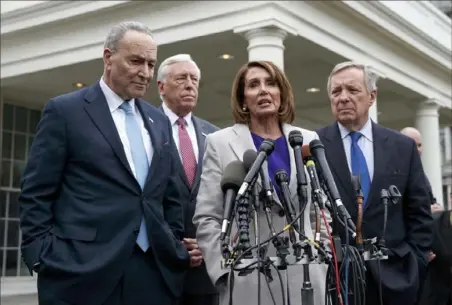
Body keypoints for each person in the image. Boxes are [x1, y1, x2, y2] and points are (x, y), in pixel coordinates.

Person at [19, 21, 193, 305]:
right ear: (108, 57)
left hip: (153, 276)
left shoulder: (159, 120)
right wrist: (41, 256)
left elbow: (168, 194)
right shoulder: (65, 111)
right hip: (81, 274)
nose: (146, 73)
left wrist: (173, 244)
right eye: (136, 61)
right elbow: (36, 192)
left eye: (151, 64)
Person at [193, 60, 331, 305]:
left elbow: (318, 210)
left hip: (306, 276)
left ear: (282, 93)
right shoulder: (220, 143)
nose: (264, 90)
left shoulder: (307, 139)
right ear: (243, 99)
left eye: (271, 83)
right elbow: (208, 217)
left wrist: (323, 256)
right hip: (248, 278)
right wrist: (224, 272)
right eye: (254, 85)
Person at [316, 61, 433, 305]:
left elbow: (419, 213)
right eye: (336, 92)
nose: (343, 97)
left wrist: (416, 264)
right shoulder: (314, 146)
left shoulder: (403, 147)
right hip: (337, 281)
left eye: (352, 90)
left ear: (372, 96)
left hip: (396, 280)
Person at [157, 54, 220, 305]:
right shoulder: (144, 126)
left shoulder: (212, 134)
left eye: (195, 79)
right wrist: (171, 246)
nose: (190, 84)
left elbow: (220, 197)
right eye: (181, 78)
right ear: (161, 86)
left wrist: (208, 243)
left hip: (204, 269)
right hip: (158, 265)